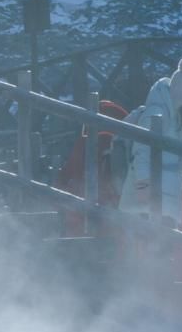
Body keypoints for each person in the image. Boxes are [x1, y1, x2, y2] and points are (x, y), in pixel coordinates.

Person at [115, 57, 182, 221]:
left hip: (166, 197)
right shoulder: (156, 113)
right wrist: (143, 186)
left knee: (158, 243)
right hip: (146, 200)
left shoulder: (177, 118)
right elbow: (141, 151)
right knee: (143, 242)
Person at [54, 98, 128, 235]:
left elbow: (66, 176)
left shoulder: (83, 144)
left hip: (86, 205)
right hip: (113, 205)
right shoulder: (123, 143)